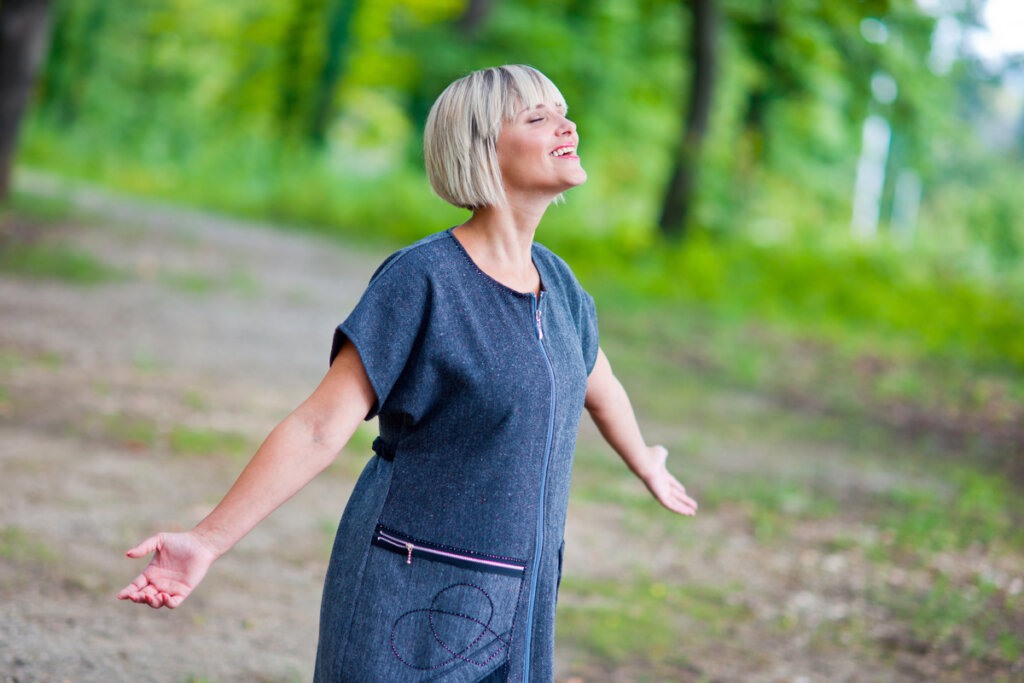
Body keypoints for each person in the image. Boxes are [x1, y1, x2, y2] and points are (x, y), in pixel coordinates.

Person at [118, 64, 698, 682]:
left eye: (563, 112)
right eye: (538, 117)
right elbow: (319, 427)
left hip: (523, 596)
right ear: (482, 149)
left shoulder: (559, 285)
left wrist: (644, 459)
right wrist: (207, 540)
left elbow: (596, 382)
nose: (567, 126)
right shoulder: (421, 279)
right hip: (409, 585)